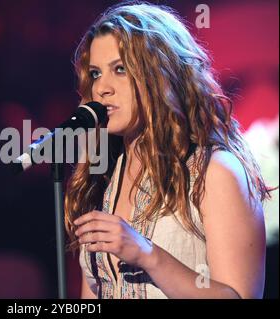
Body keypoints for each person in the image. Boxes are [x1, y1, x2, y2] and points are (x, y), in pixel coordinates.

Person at [64, 2, 274, 299]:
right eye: (96, 73)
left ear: (160, 75)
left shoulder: (214, 172)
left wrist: (148, 255)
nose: (102, 88)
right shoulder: (104, 178)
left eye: (120, 69)